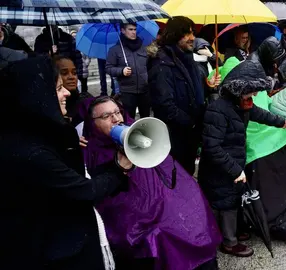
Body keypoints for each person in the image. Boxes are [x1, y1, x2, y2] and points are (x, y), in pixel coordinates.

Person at [0, 55, 132, 270]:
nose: (67, 93)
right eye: (59, 87)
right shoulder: (31, 153)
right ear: (37, 95)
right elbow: (84, 190)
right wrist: (120, 167)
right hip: (49, 252)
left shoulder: (33, 135)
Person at [78, 96, 221, 270]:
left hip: (167, 209)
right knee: (161, 238)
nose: (116, 119)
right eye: (106, 116)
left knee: (194, 222)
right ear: (93, 123)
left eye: (117, 112)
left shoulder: (140, 133)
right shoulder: (93, 152)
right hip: (142, 223)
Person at [198, 60, 286, 257]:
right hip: (219, 168)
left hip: (232, 162)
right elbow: (212, 147)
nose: (255, 96)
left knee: (232, 199)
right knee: (226, 202)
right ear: (240, 88)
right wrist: (234, 169)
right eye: (253, 91)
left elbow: (261, 114)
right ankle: (229, 242)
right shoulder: (218, 109)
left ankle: (232, 232)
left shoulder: (243, 103)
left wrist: (282, 122)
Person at [149, 16, 206, 175]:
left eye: (192, 33)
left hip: (191, 133)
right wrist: (191, 123)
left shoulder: (187, 57)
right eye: (187, 34)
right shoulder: (162, 63)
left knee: (187, 171)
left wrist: (207, 85)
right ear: (175, 35)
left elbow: (194, 90)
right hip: (175, 136)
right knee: (178, 175)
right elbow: (165, 106)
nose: (192, 38)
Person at [106, 23, 150, 118]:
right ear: (122, 30)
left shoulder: (142, 48)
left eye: (135, 29)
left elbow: (148, 66)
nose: (134, 32)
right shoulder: (115, 50)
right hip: (127, 91)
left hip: (144, 90)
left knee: (146, 118)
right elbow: (108, 68)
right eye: (130, 29)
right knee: (129, 119)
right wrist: (121, 71)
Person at [53, 56, 93, 126]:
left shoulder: (86, 101)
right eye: (64, 73)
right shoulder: (52, 109)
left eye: (74, 73)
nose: (71, 77)